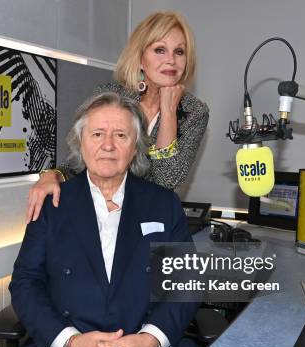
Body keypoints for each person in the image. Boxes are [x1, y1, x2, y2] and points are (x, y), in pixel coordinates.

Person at [8, 92, 199, 347]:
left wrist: (149, 341)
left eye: (120, 135)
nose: (108, 145)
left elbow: (185, 285)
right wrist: (69, 343)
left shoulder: (163, 204)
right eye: (97, 134)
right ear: (81, 142)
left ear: (135, 146)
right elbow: (26, 282)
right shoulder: (51, 205)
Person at [26, 10, 209, 223]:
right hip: (100, 215)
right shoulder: (110, 96)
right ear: (141, 59)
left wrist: (168, 112)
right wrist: (53, 175)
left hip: (153, 219)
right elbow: (81, 162)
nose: (171, 60)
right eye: (160, 50)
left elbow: (166, 182)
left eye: (179, 52)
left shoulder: (195, 112)